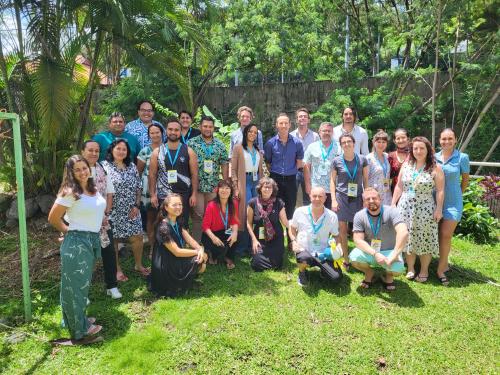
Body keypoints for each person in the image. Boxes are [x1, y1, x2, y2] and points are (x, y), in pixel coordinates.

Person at [48, 155, 106, 344]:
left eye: (84, 168)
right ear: (71, 173)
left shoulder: (91, 188)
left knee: (80, 285)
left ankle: (75, 319)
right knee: (76, 288)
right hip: (77, 242)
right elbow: (53, 218)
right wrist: (68, 232)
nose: (82, 172)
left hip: (91, 239)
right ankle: (79, 331)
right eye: (77, 170)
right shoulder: (70, 191)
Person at [392, 136, 444, 283]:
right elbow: (399, 186)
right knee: (407, 237)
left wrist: (439, 209)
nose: (418, 151)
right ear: (411, 150)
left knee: (425, 238)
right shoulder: (406, 165)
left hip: (425, 209)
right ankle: (410, 268)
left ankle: (424, 270)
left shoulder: (435, 168)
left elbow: (440, 191)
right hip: (406, 207)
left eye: (422, 148)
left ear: (428, 150)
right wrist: (393, 204)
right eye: (415, 148)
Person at [102, 139, 149, 282]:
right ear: (112, 150)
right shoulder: (104, 166)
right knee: (114, 240)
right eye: (118, 148)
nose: (121, 151)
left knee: (137, 237)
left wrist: (136, 205)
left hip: (131, 209)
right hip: (112, 210)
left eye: (124, 149)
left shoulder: (132, 166)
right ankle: (117, 269)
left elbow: (138, 187)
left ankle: (138, 265)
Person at [81, 140, 122, 299]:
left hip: (104, 220)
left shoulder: (102, 168)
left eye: (96, 151)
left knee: (109, 253)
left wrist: (106, 212)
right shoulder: (77, 170)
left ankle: (111, 286)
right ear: (83, 151)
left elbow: (110, 192)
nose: (93, 153)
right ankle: (83, 292)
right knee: (86, 257)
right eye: (90, 150)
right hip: (84, 222)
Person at [149, 193, 208, 297]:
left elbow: (191, 241)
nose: (178, 207)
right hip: (166, 265)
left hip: (174, 259)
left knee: (201, 258)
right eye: (174, 205)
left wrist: (200, 248)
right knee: (199, 259)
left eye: (180, 204)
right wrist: (198, 252)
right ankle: (177, 283)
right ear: (166, 207)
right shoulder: (163, 228)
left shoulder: (177, 221)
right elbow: (177, 252)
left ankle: (183, 280)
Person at [350, 188, 408, 291]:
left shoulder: (392, 212)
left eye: (374, 198)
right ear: (364, 202)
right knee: (354, 257)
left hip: (389, 253)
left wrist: (394, 255)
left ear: (380, 199)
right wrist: (375, 254)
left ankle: (388, 276)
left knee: (398, 269)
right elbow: (358, 240)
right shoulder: (359, 216)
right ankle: (369, 273)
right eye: (368, 199)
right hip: (371, 252)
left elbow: (403, 232)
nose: (371, 201)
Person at [435, 128, 470, 285]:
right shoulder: (434, 157)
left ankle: (441, 269)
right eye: (443, 139)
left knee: (446, 234)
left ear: (455, 140)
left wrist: (457, 194)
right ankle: (443, 263)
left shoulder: (462, 157)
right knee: (436, 233)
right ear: (439, 140)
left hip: (453, 203)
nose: (446, 141)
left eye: (450, 138)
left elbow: (465, 180)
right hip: (435, 202)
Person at [149, 118, 199, 225]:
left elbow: (194, 174)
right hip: (164, 195)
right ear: (166, 131)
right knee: (164, 225)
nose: (173, 132)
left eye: (176, 130)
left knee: (182, 224)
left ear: (180, 132)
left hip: (183, 194)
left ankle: (181, 242)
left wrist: (194, 194)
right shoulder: (157, 152)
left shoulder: (189, 151)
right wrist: (153, 195)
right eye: (170, 129)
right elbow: (152, 175)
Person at [289, 187, 342, 286]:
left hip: (323, 253)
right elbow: (292, 229)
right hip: (304, 250)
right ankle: (302, 272)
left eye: (320, 196)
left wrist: (338, 247)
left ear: (325, 198)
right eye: (314, 196)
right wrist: (294, 241)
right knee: (303, 258)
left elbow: (336, 235)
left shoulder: (332, 216)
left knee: (336, 278)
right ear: (310, 197)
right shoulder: (300, 211)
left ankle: (323, 270)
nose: (317, 199)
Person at [188, 116, 229, 241]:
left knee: (212, 216)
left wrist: (225, 183)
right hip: (197, 187)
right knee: (198, 216)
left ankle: (210, 245)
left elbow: (224, 164)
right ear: (200, 127)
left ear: (213, 128)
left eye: (210, 127)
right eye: (205, 126)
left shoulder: (220, 145)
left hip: (213, 186)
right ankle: (197, 244)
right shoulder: (192, 143)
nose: (207, 129)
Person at [330, 133, 369, 266]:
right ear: (341, 145)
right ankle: (346, 258)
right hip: (342, 198)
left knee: (359, 229)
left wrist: (366, 198)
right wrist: (334, 200)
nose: (346, 144)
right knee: (342, 229)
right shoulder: (336, 161)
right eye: (343, 142)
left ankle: (360, 257)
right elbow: (332, 181)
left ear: (354, 143)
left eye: (349, 141)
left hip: (358, 197)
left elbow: (365, 180)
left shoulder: (363, 159)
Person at [264, 113, 304, 222]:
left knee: (290, 208)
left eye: (286, 123)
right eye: (281, 123)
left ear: (290, 125)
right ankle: (276, 236)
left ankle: (290, 236)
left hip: (291, 179)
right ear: (276, 125)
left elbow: (299, 162)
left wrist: (289, 171)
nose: (283, 125)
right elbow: (268, 162)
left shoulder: (297, 143)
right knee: (274, 207)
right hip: (275, 179)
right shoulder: (270, 143)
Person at [247, 177, 289, 271]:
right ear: (260, 189)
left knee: (277, 264)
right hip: (259, 240)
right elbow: (248, 223)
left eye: (269, 187)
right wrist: (254, 240)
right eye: (265, 187)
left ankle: (272, 261)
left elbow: (285, 222)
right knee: (257, 264)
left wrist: (294, 230)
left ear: (273, 190)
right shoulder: (252, 203)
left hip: (276, 238)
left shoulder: (279, 203)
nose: (267, 189)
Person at [137, 124, 164, 251]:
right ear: (149, 135)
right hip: (148, 189)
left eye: (157, 132)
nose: (155, 135)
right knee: (151, 218)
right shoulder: (145, 151)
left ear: (162, 133)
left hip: (164, 187)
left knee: (163, 217)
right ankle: (153, 246)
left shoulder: (167, 149)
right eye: (152, 133)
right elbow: (139, 172)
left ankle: (164, 245)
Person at [201, 179, 239, 269]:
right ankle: (211, 255)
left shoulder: (234, 203)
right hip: (210, 234)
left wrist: (235, 233)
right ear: (217, 190)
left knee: (236, 237)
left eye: (227, 188)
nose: (224, 190)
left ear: (231, 191)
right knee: (219, 248)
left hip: (224, 231)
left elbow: (234, 221)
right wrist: (213, 238)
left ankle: (228, 258)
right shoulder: (211, 205)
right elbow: (205, 226)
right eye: (221, 188)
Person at [304, 122, 340, 208]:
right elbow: (306, 167)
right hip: (316, 188)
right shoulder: (312, 147)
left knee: (332, 215)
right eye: (324, 131)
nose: (326, 133)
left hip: (334, 188)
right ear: (319, 132)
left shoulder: (339, 147)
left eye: (329, 131)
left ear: (332, 133)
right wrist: (308, 185)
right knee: (316, 213)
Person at [290, 107, 319, 206]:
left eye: (305, 117)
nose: (302, 118)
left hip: (310, 170)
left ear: (308, 120)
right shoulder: (291, 136)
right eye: (300, 116)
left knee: (309, 196)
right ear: (296, 119)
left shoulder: (315, 136)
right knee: (291, 196)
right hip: (294, 170)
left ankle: (308, 219)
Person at [367, 130, 392, 205]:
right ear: (374, 143)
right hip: (374, 194)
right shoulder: (369, 158)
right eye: (378, 142)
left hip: (386, 193)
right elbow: (365, 178)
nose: (381, 144)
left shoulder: (387, 156)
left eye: (383, 142)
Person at [388, 128, 410, 194]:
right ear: (394, 141)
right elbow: (387, 175)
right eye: (398, 138)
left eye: (403, 137)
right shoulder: (390, 156)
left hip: (410, 192)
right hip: (394, 191)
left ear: (408, 139)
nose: (401, 140)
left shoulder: (414, 155)